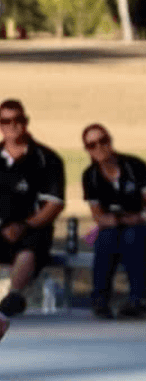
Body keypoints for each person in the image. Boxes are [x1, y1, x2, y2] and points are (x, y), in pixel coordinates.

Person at [79, 124, 146, 320]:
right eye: (92, 145)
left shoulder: (134, 166)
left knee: (132, 235)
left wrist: (138, 218)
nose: (99, 147)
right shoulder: (91, 176)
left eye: (103, 141)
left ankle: (138, 301)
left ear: (110, 141)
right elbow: (98, 216)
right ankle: (100, 299)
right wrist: (115, 220)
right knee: (106, 237)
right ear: (87, 150)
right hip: (118, 232)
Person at [0, 99, 65, 318]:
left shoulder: (46, 159)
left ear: (26, 122)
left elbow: (54, 204)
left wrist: (25, 225)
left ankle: (14, 297)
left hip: (32, 228)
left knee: (28, 249)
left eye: (17, 120)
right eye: (5, 121)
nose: (12, 125)